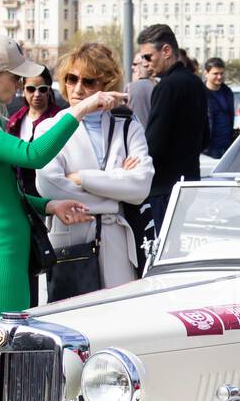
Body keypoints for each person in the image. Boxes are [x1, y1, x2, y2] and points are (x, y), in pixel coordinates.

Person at [0, 34, 125, 321]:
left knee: (9, 352)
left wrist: (49, 206)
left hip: (4, 254)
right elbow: (33, 154)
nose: (20, 85)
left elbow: (2, 193)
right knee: (4, 355)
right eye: (14, 77)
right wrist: (82, 109)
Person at [35, 43, 153, 299]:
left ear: (105, 85)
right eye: (71, 79)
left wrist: (81, 178)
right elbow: (49, 186)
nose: (78, 89)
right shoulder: (49, 128)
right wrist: (116, 190)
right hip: (71, 242)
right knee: (71, 321)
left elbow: (141, 185)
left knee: (118, 317)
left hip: (116, 242)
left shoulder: (126, 125)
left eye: (88, 81)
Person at [137, 23, 209, 240]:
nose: (145, 64)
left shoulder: (166, 87)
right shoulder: (196, 83)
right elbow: (206, 137)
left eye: (148, 57)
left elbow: (154, 142)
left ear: (166, 51)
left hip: (163, 185)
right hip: (189, 180)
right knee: (175, 244)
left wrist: (136, 165)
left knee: (162, 247)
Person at [5, 66, 61, 191]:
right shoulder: (15, 120)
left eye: (42, 89)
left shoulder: (59, 119)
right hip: (21, 191)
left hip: (50, 191)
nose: (37, 94)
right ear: (23, 89)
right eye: (31, 89)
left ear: (49, 90)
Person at [203, 56, 235, 158]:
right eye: (215, 74)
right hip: (207, 148)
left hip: (227, 146)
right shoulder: (199, 93)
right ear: (206, 74)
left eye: (221, 73)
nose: (219, 77)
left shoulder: (227, 92)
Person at [126, 52, 155, 127]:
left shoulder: (131, 87)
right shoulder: (158, 85)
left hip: (137, 135)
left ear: (144, 64)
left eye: (135, 64)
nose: (132, 67)